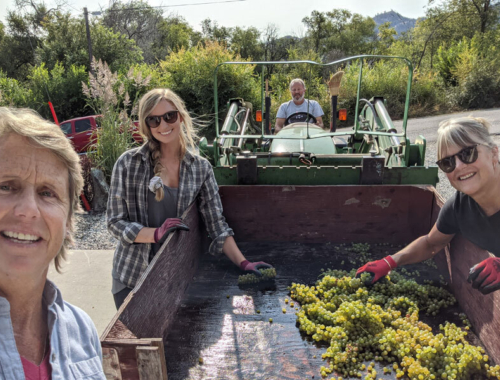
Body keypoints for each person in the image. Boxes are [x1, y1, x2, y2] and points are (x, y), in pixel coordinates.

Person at [107, 88, 273, 309]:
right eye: (154, 120)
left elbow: (217, 224)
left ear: (181, 116)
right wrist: (155, 234)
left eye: (169, 116)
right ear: (147, 125)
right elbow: (114, 222)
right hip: (132, 277)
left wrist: (244, 263)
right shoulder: (127, 163)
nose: (163, 126)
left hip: (174, 278)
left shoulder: (200, 168)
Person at [0, 107, 105, 379]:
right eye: (6, 186)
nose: (28, 209)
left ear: (68, 223)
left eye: (47, 193)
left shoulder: (82, 331)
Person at [356, 117, 500, 295]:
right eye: (448, 162)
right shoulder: (459, 206)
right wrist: (389, 262)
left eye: (468, 154)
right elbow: (431, 243)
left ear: (494, 152)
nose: (460, 166)